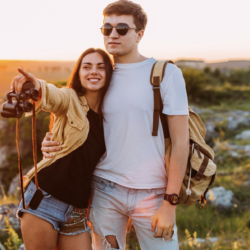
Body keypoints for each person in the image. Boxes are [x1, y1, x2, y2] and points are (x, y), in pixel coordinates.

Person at [39, 1, 190, 249]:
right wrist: (53, 141)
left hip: (152, 192)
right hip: (105, 188)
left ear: (140, 34)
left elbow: (181, 141)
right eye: (107, 28)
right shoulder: (100, 75)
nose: (113, 35)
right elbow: (72, 111)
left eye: (122, 29)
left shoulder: (165, 74)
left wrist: (170, 203)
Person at [11, 48, 114, 250]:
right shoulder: (71, 99)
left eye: (101, 67)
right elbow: (53, 95)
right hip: (44, 199)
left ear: (109, 74)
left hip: (77, 208)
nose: (94, 71)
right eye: (87, 67)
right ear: (79, 73)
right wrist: (37, 85)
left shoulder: (112, 115)